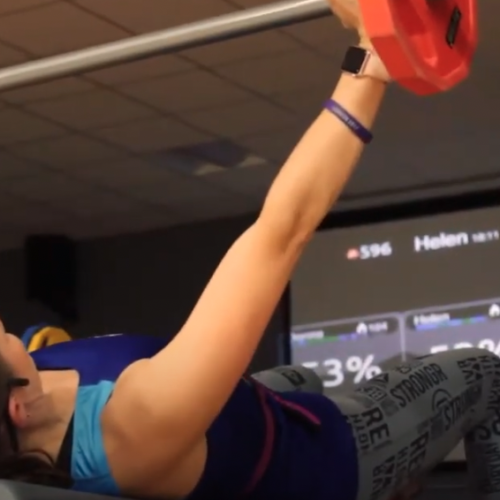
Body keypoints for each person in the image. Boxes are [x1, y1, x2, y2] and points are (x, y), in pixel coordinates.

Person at [0, 1, 499, 499]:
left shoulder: (29, 382)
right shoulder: (138, 426)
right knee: (485, 374)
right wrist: (373, 54)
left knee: (303, 374)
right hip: (327, 462)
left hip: (253, 415)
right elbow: (281, 234)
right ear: (17, 408)